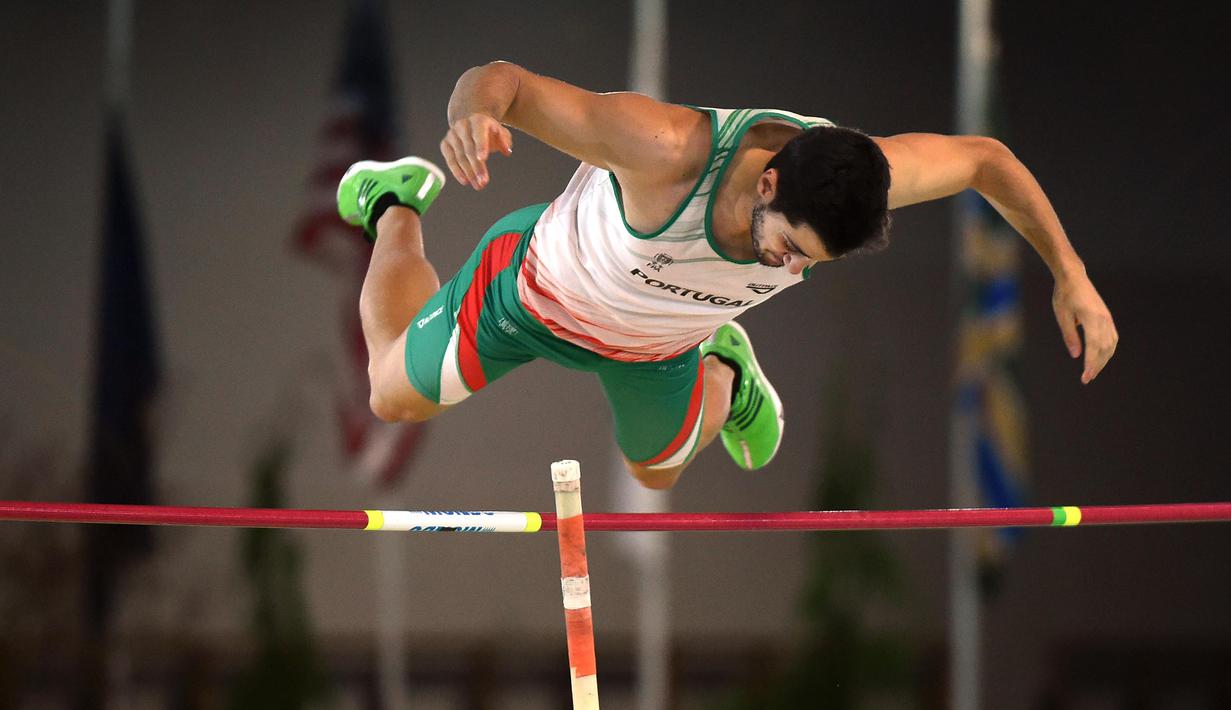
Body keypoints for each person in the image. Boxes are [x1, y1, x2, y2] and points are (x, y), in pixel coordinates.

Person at [335, 61, 1118, 490]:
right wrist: (471, 116)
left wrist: (1069, 274)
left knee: (655, 478)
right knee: (390, 396)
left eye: (810, 262)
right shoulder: (663, 150)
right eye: (789, 246)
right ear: (768, 181)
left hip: (657, 347)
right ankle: (395, 204)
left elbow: (984, 160)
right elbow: (501, 80)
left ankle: (726, 370)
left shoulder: (863, 175)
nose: (790, 269)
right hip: (530, 296)